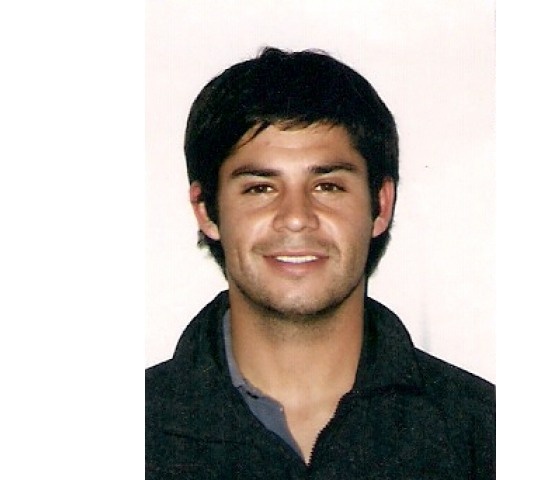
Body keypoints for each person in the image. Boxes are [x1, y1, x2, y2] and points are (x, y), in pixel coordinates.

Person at [146, 47, 495, 479]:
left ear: (381, 205)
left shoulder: (483, 436)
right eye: (260, 188)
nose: (296, 217)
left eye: (327, 186)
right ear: (206, 211)